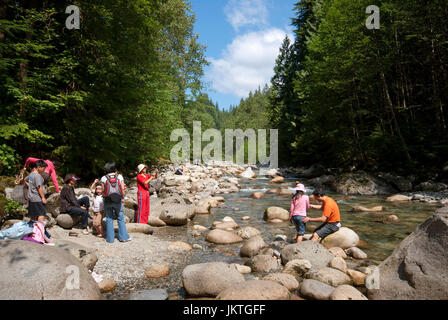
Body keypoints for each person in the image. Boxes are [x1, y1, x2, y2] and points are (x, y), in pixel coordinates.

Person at [101, 162, 130, 243]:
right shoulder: (119, 176)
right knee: (120, 218)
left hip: (108, 200)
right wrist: (123, 197)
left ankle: (110, 239)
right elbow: (122, 188)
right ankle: (123, 237)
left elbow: (103, 190)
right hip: (118, 199)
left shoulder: (103, 178)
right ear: (114, 168)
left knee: (109, 218)